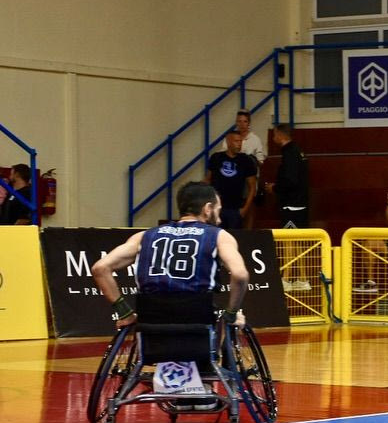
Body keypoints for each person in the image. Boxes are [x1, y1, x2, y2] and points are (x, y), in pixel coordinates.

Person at [90, 181, 248, 330]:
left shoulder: (144, 236)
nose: (219, 220)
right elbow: (240, 274)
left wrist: (125, 313)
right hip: (197, 315)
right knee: (226, 322)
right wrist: (231, 313)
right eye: (218, 211)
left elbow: (100, 268)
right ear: (207, 209)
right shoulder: (219, 236)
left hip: (151, 316)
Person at [204, 129, 257, 230]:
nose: (239, 144)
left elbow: (252, 187)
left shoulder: (246, 160)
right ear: (228, 142)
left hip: (236, 208)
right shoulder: (216, 158)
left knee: (235, 236)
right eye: (236, 141)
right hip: (217, 207)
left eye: (241, 141)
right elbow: (207, 180)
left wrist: (245, 208)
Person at [265, 123, 309, 228]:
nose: (273, 138)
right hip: (300, 204)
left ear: (280, 135)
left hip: (292, 206)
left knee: (291, 238)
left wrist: (274, 188)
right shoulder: (297, 150)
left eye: (275, 134)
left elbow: (290, 180)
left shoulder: (289, 153)